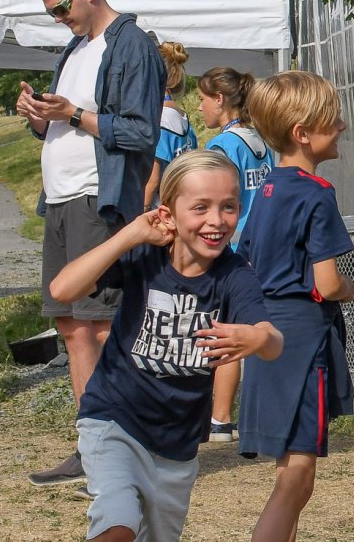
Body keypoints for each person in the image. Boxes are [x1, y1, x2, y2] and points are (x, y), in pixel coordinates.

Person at [48, 150, 282, 541]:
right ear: (168, 214)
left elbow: (273, 341)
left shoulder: (235, 275)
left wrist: (258, 337)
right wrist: (130, 235)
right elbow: (62, 289)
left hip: (177, 445)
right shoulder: (144, 256)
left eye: (228, 207)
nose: (216, 220)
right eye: (200, 207)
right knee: (118, 523)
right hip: (114, 420)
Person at [16, 0, 165, 487]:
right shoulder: (75, 48)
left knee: (101, 326)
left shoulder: (131, 45)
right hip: (60, 202)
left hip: (97, 203)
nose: (58, 19)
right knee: (72, 325)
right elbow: (68, 125)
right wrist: (41, 118)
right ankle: (91, 446)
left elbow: (141, 132)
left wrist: (73, 115)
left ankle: (120, 449)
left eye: (60, 8)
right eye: (50, 13)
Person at [235, 70, 354, 542]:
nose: (342, 126)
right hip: (303, 339)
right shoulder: (316, 193)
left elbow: (246, 260)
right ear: (302, 133)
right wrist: (349, 289)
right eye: (333, 119)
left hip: (268, 329)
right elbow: (327, 283)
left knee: (290, 470)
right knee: (297, 476)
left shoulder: (266, 189)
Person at [197, 66, 274, 441]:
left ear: (219, 99)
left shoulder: (224, 146)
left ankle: (221, 419)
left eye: (202, 99)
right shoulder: (261, 141)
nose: (199, 108)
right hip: (261, 245)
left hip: (230, 249)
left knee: (225, 331)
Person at [143, 42, 197, 210]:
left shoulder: (160, 120)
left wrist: (141, 211)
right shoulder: (183, 118)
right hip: (180, 204)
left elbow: (153, 180)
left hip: (159, 209)